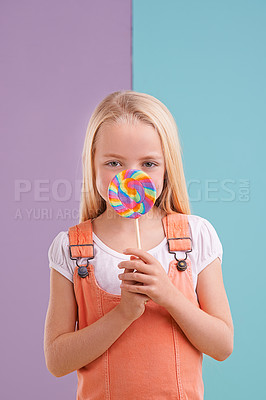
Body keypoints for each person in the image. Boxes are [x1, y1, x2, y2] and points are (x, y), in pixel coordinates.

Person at [44, 90, 234, 400]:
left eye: (148, 163)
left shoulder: (195, 236)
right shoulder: (71, 247)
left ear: (167, 166)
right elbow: (56, 360)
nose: (131, 176)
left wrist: (169, 295)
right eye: (114, 163)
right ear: (91, 164)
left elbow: (222, 345)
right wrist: (124, 313)